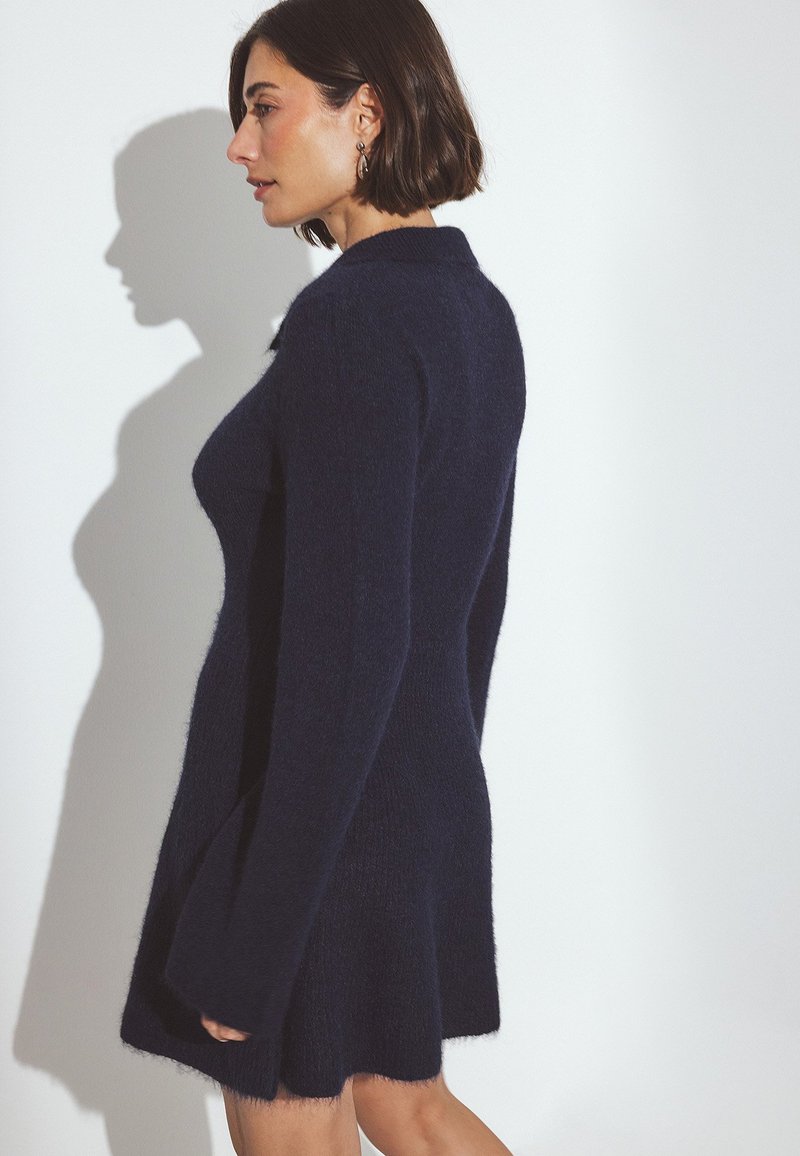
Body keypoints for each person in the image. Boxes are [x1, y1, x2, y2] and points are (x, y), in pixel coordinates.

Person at [119, 0, 526, 1152]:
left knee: (314, 1121)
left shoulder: (352, 321)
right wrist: (435, 792)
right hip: (404, 798)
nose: (239, 146)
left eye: (264, 109)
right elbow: (473, 607)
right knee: (407, 1105)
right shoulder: (473, 310)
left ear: (368, 112)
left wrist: (258, 921)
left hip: (309, 826)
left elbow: (353, 646)